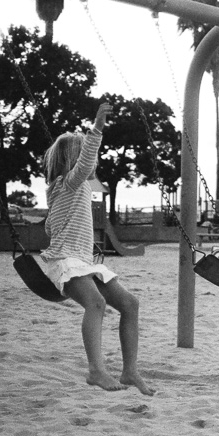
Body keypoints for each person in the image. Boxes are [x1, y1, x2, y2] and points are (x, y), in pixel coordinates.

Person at [41, 102, 154, 396]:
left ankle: (130, 371)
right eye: (81, 155)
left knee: (130, 304)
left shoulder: (64, 190)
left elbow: (50, 229)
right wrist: (98, 128)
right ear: (71, 160)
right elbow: (87, 165)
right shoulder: (69, 182)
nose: (90, 163)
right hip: (66, 261)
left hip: (83, 260)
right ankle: (96, 371)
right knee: (96, 305)